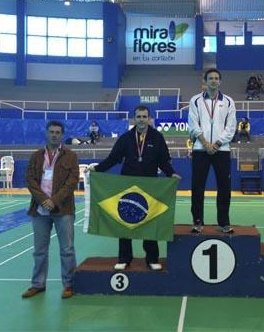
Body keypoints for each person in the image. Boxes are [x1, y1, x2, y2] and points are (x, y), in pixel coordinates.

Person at [88, 106, 180, 271]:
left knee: (151, 223)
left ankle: (152, 259)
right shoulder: (126, 138)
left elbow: (164, 161)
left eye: (144, 116)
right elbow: (113, 158)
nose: (141, 119)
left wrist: (171, 173)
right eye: (138, 116)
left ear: (149, 118)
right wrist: (97, 169)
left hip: (149, 186)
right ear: (134, 118)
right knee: (125, 222)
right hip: (128, 186)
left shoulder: (157, 137)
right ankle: (124, 258)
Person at [22, 121, 79, 299]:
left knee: (67, 249)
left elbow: (72, 181)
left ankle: (69, 284)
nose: (54, 135)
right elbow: (30, 179)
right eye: (51, 132)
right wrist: (43, 200)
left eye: (57, 132)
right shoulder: (36, 156)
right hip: (40, 210)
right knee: (39, 250)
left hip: (63, 210)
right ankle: (38, 284)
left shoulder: (71, 156)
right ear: (46, 134)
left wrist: (53, 200)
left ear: (62, 135)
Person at [188, 68, 237, 234]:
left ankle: (224, 222)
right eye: (211, 78)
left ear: (220, 81)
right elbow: (193, 125)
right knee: (197, 187)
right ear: (205, 81)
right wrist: (205, 143)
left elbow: (231, 127)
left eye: (216, 78)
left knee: (224, 187)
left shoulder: (229, 102)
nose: (214, 81)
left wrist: (216, 144)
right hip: (200, 150)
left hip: (221, 150)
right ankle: (197, 221)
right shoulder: (195, 101)